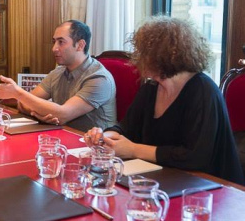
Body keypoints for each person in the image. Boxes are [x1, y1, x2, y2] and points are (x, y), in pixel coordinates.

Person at [84, 16, 245, 184]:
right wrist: (106, 135)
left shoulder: (204, 91)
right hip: (163, 177)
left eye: (143, 53)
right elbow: (126, 127)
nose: (137, 59)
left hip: (210, 185)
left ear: (165, 56)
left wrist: (132, 150)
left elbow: (195, 157)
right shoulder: (151, 88)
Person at [0, 20, 117, 132]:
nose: (54, 48)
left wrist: (18, 93)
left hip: (93, 149)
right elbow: (26, 103)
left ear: (80, 45)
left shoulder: (99, 79)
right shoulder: (58, 72)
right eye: (54, 42)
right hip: (61, 135)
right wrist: (42, 113)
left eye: (61, 42)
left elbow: (63, 114)